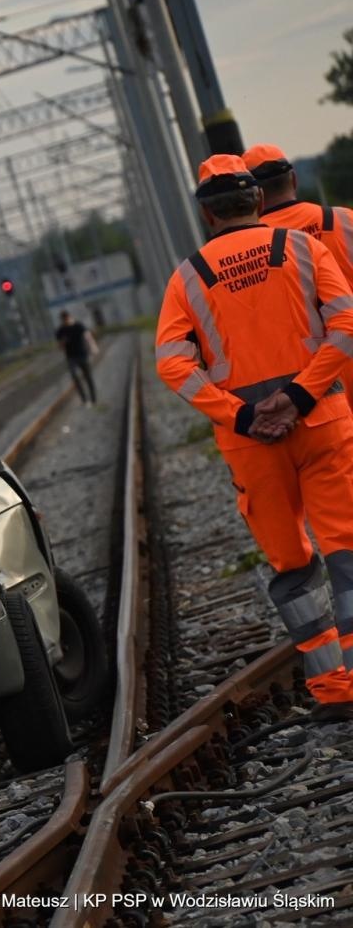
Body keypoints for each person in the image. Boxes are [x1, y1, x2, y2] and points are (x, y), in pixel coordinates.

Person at [155, 154, 353, 707]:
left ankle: (333, 688)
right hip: (322, 423)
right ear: (259, 201)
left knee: (292, 567)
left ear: (207, 214)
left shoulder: (188, 277)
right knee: (346, 549)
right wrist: (300, 396)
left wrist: (241, 415)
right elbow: (345, 324)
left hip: (251, 444)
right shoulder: (303, 248)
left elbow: (172, 364)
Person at [247, 142, 353, 398]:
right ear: (293, 179)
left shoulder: (251, 249)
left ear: (255, 195)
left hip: (312, 380)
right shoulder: (344, 219)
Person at [55, 311, 98, 405]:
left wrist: (93, 346)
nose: (66, 321)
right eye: (64, 320)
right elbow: (60, 347)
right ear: (62, 320)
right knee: (75, 377)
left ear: (70, 317)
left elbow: (88, 336)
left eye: (67, 319)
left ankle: (94, 398)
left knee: (88, 377)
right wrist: (62, 342)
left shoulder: (79, 326)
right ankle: (84, 400)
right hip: (71, 357)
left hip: (83, 355)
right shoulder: (60, 331)